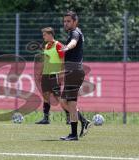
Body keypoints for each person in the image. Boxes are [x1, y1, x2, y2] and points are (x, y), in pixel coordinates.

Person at [60, 11, 91, 141]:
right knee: (63, 102)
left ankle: (74, 134)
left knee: (71, 103)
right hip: (72, 72)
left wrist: (67, 48)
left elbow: (73, 42)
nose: (66, 23)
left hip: (75, 71)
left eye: (68, 21)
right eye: (65, 21)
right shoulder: (74, 32)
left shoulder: (75, 33)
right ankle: (83, 122)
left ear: (75, 22)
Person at [35, 27, 70, 124]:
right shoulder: (46, 46)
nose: (43, 37)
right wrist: (40, 73)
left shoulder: (58, 45)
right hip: (45, 75)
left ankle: (69, 117)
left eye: (45, 35)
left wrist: (61, 74)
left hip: (54, 75)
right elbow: (45, 61)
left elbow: (62, 61)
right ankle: (46, 119)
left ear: (50, 34)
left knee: (59, 97)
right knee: (46, 96)